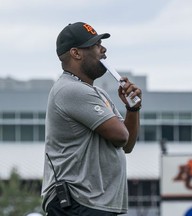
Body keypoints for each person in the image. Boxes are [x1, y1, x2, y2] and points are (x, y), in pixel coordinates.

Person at [41, 22, 142, 216]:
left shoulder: (96, 92)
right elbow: (120, 136)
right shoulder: (70, 89)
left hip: (92, 203)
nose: (103, 49)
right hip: (77, 202)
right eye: (95, 45)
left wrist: (133, 108)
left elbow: (127, 144)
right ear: (76, 53)